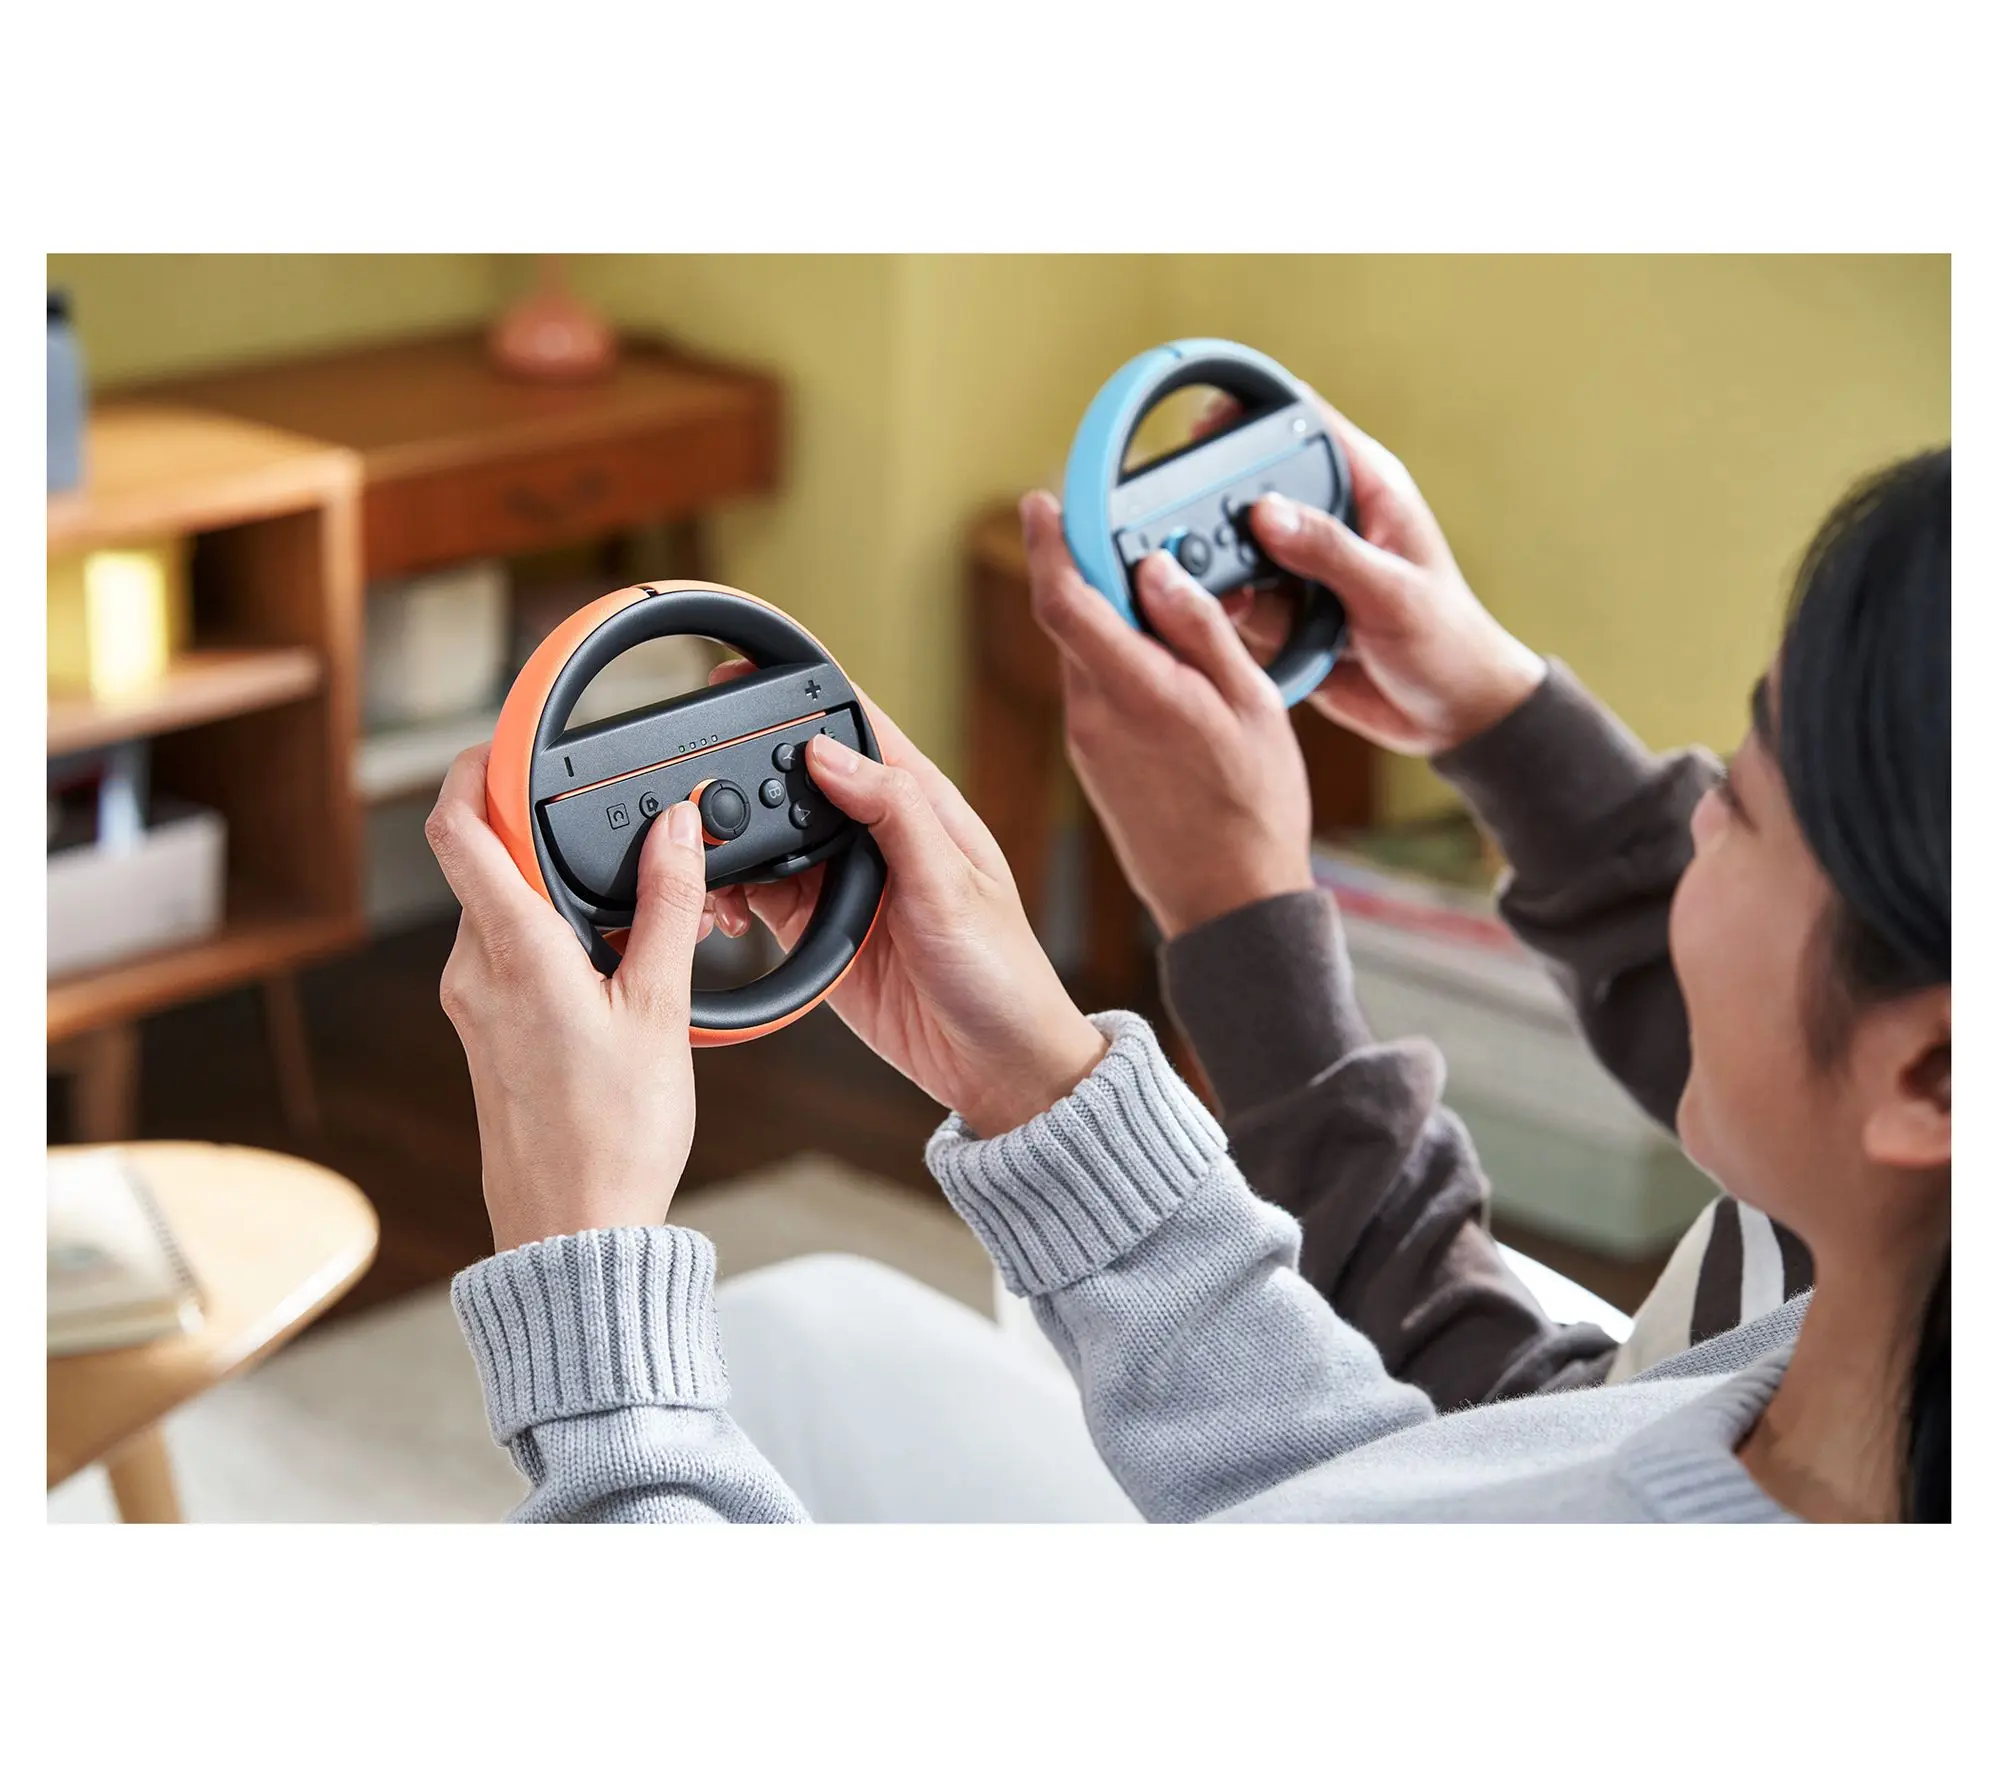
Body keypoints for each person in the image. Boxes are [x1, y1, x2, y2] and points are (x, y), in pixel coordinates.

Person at [428, 440, 1948, 1524]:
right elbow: (1393, 1516)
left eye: (1742, 808)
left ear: (1931, 1076)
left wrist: (591, 1300)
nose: (1690, 821)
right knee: (797, 1331)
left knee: (759, 1357)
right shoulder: (1827, 1377)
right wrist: (1041, 1085)